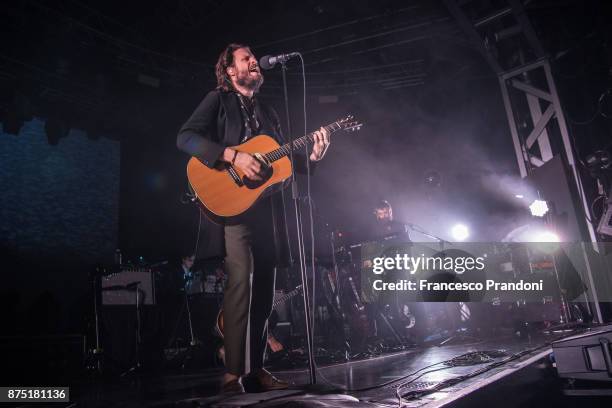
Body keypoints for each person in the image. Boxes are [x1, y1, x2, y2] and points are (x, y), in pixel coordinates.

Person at [176, 43, 330, 393]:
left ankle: (256, 369)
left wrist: (315, 158)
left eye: (253, 58)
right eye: (246, 58)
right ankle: (233, 373)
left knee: (263, 290)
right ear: (231, 71)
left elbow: (281, 164)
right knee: (240, 282)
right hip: (233, 209)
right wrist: (232, 156)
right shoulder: (218, 99)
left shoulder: (268, 113)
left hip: (266, 211)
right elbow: (185, 138)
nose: (254, 62)